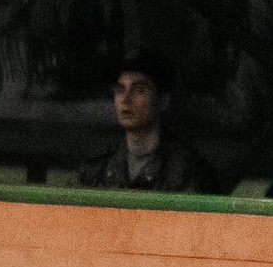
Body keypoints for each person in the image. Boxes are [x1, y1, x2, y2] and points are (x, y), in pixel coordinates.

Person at [76, 57, 219, 193]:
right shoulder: (98, 168)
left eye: (139, 90)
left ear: (162, 101)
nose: (126, 99)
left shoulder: (186, 171)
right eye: (120, 90)